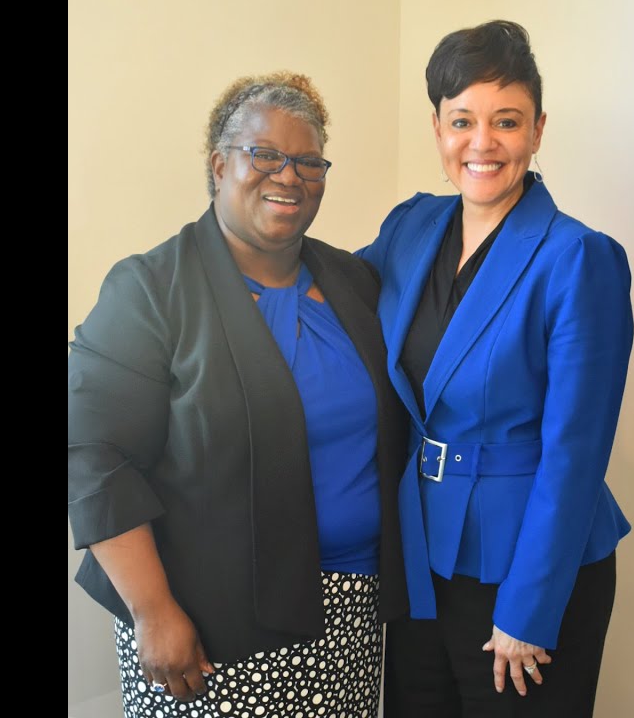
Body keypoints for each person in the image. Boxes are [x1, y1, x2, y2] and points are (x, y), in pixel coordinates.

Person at [68, 71, 408, 718]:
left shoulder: (354, 282)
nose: (289, 176)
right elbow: (94, 456)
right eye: (265, 155)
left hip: (350, 615)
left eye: (309, 162)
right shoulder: (151, 289)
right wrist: (153, 610)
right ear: (219, 164)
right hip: (206, 624)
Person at [356, 21, 634, 718]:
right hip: (421, 555)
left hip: (527, 569)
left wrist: (529, 609)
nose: (481, 143)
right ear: (437, 128)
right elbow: (332, 294)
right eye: (462, 121)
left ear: (537, 130)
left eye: (506, 121)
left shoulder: (579, 258)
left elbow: (575, 456)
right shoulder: (410, 227)